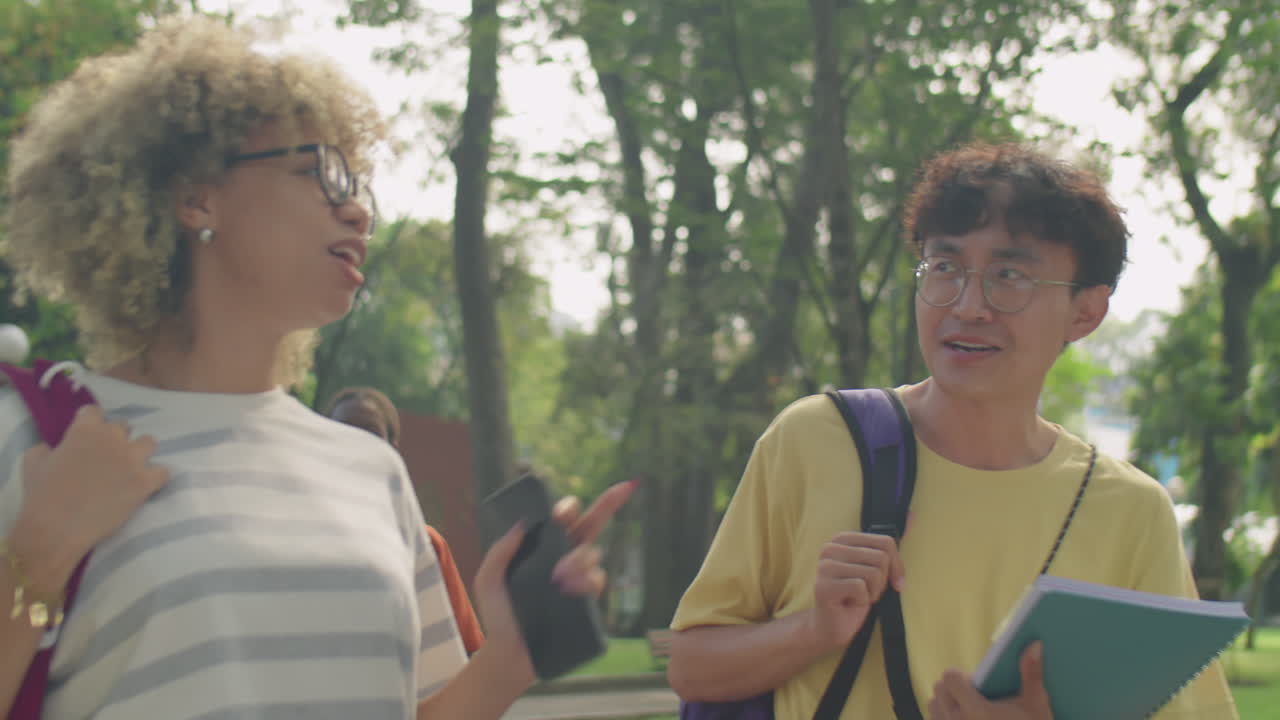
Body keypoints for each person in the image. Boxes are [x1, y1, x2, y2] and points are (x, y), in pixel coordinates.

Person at [0, 17, 633, 720]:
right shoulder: (32, 436)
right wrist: (39, 553)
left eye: (358, 182)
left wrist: (508, 662)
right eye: (319, 172)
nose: (358, 210)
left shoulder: (371, 472)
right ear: (195, 196)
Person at [665, 142, 1238, 719]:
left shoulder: (1130, 513)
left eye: (1009, 275)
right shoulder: (816, 440)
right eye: (945, 267)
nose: (967, 305)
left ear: (1085, 313)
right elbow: (691, 668)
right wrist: (815, 630)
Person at [326, 386, 485, 654]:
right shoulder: (301, 547)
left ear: (393, 452)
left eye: (370, 434)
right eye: (342, 434)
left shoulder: (426, 546)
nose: (356, 445)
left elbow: (466, 658)